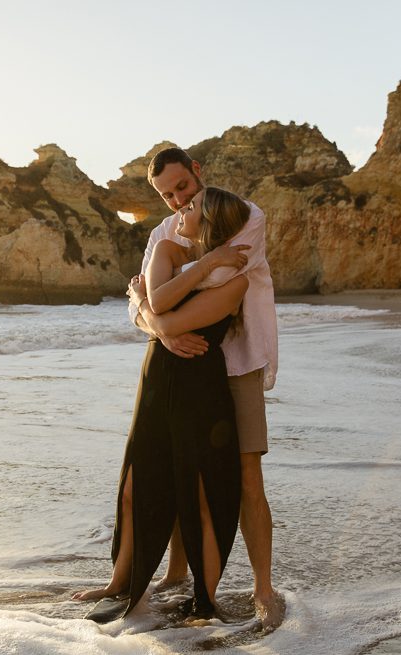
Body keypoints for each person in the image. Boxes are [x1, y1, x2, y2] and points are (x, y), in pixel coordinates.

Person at [73, 186, 251, 621]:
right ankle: (121, 584)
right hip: (156, 381)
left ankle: (205, 602)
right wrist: (162, 312)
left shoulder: (236, 280)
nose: (179, 210)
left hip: (202, 391)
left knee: (205, 494)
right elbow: (160, 304)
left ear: (207, 221)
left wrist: (153, 316)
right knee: (135, 485)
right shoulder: (168, 248)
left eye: (189, 207)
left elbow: (165, 312)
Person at [139, 147, 283, 629]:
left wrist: (157, 294)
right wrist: (160, 326)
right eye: (166, 195)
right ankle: (178, 572)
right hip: (185, 360)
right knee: (184, 468)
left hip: (237, 359)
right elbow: (134, 304)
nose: (178, 200)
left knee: (247, 477)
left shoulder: (245, 215)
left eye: (182, 187)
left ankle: (263, 587)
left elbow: (224, 274)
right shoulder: (164, 231)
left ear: (198, 171)